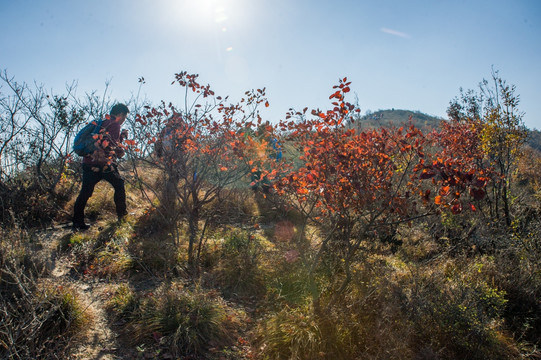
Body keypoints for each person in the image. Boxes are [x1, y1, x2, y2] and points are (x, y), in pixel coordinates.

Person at [72, 103, 129, 230]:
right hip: (103, 164)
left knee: (85, 192)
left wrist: (120, 138)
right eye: (124, 117)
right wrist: (120, 147)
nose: (124, 120)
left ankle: (77, 223)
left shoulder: (102, 122)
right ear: (120, 115)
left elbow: (104, 140)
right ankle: (122, 217)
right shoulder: (115, 125)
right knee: (119, 185)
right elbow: (110, 146)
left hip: (88, 162)